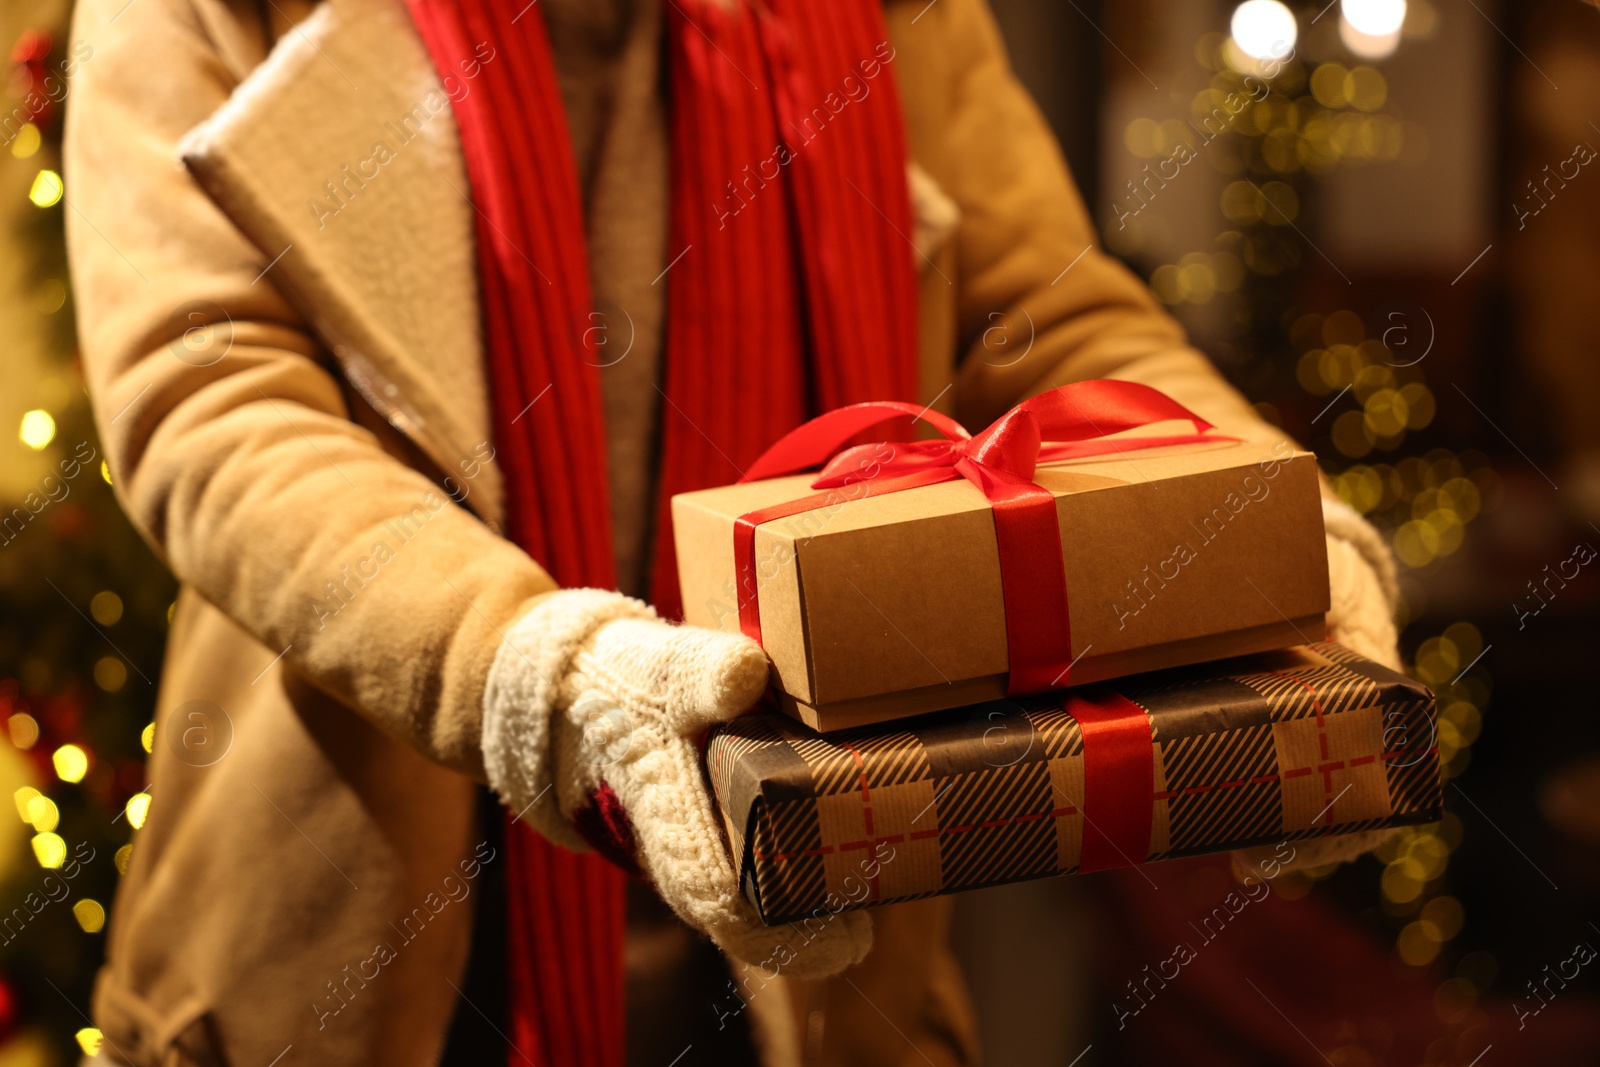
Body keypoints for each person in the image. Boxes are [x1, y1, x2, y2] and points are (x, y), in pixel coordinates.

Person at [63, 0, 1401, 1063]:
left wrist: (1284, 537)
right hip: (356, 968)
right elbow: (211, 395)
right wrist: (543, 676)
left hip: (813, 980)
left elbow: (1051, 321)